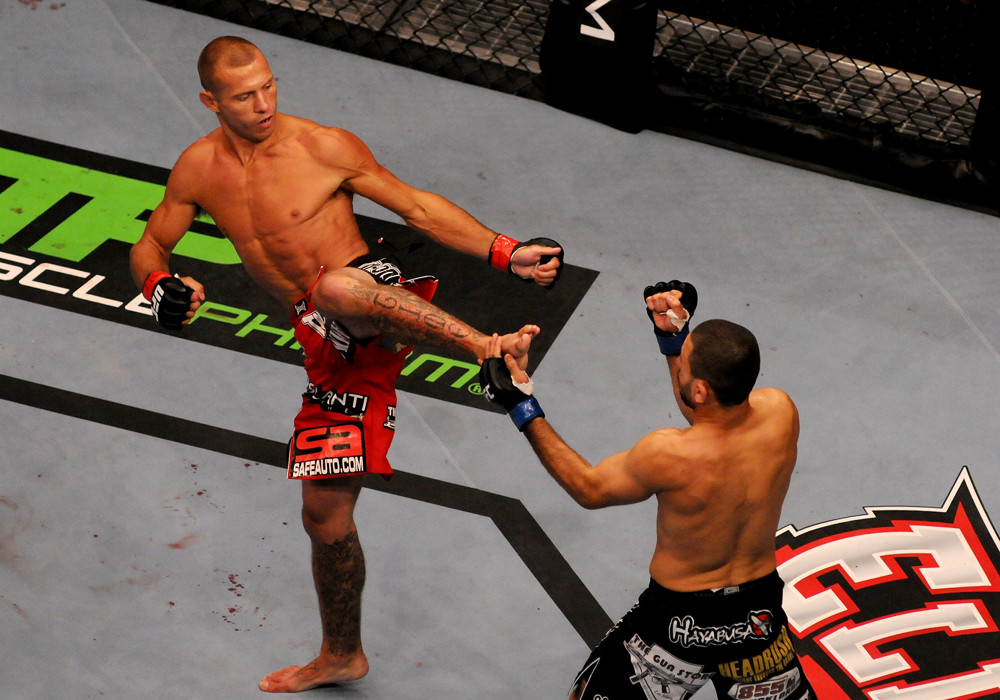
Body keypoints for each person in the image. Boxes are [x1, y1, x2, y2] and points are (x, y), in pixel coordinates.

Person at [129, 35, 563, 693]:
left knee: (333, 285)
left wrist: (505, 251)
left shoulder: (322, 146)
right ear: (210, 102)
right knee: (324, 515)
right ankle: (341, 654)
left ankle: (487, 347)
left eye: (269, 86)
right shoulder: (197, 168)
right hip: (324, 341)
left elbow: (417, 207)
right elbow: (151, 243)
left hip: (369, 289)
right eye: (245, 96)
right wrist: (158, 286)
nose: (264, 103)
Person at [479, 280, 815, 699]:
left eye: (685, 362)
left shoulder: (669, 453)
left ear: (700, 389)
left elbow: (588, 488)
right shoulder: (781, 412)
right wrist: (673, 340)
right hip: (757, 620)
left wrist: (521, 405)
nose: (680, 365)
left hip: (678, 625)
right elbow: (711, 417)